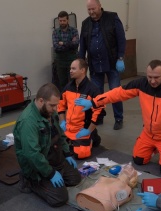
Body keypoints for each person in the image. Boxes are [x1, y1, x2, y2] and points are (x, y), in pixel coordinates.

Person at [75, 60, 161, 176]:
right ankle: (155, 148)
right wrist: (94, 102)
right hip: (148, 134)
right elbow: (118, 93)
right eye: (149, 77)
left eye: (157, 77)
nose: (152, 81)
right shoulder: (141, 84)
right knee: (138, 160)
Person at [13, 83, 81, 207]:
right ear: (40, 101)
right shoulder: (28, 121)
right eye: (53, 105)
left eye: (57, 105)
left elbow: (60, 135)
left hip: (51, 155)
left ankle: (54, 174)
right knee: (59, 197)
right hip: (36, 164)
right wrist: (50, 173)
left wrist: (67, 153)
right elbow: (32, 154)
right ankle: (29, 181)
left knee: (75, 178)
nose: (56, 109)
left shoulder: (48, 111)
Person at [78, 0, 126, 130]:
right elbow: (82, 45)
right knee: (97, 94)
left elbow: (121, 38)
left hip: (112, 64)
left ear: (100, 6)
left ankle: (119, 118)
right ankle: (99, 117)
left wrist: (120, 57)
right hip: (95, 65)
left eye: (93, 9)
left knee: (115, 92)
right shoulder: (85, 23)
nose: (91, 12)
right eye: (89, 10)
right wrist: (80, 64)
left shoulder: (112, 18)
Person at [58, 59, 103, 159]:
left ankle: (93, 135)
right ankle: (76, 141)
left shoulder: (93, 90)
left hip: (83, 129)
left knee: (80, 154)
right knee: (56, 149)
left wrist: (88, 130)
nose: (70, 71)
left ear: (83, 70)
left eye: (73, 68)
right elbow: (61, 105)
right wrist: (62, 121)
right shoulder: (68, 87)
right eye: (70, 68)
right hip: (68, 128)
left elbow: (100, 113)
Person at [52, 11, 79, 92]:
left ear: (68, 20)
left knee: (73, 82)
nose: (62, 22)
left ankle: (73, 101)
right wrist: (70, 44)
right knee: (62, 83)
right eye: (60, 21)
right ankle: (64, 101)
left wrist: (63, 43)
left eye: (64, 20)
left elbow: (76, 44)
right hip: (60, 62)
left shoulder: (74, 31)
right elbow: (56, 47)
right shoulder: (55, 32)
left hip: (72, 61)